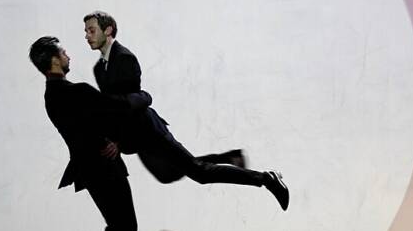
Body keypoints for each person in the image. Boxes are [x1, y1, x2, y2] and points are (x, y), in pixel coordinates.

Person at [82, 11, 288, 210]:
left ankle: (266, 179)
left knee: (200, 173)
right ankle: (228, 157)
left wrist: (118, 141)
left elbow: (132, 104)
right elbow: (113, 109)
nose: (87, 36)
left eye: (91, 30)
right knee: (168, 175)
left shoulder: (124, 57)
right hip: (136, 137)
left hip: (149, 131)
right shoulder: (99, 69)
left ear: (108, 30)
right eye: (86, 31)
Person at [29, 36, 144, 231]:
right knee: (125, 225)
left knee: (118, 225)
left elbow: (88, 124)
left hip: (90, 167)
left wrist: (110, 139)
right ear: (54, 60)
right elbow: (115, 109)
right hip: (101, 165)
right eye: (63, 52)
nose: (68, 56)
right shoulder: (75, 91)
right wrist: (142, 97)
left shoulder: (52, 95)